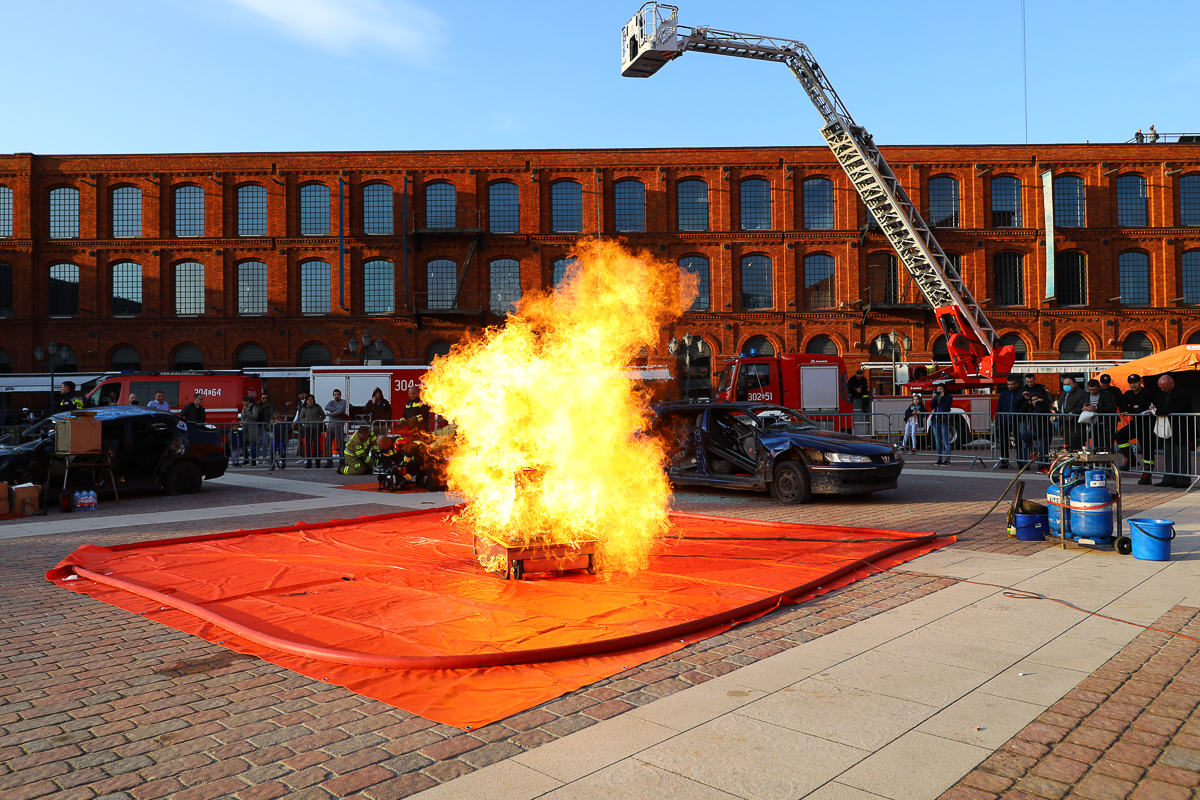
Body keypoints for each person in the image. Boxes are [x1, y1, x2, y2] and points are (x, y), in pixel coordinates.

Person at [1152, 373, 1192, 487]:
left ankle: (1184, 480)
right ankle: (1169, 478)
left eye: (1165, 387)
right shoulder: (1165, 393)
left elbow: (1179, 408)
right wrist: (1156, 409)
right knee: (1169, 453)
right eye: (1161, 387)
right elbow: (1162, 406)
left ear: (1172, 383)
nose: (1163, 389)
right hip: (1168, 427)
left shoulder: (1182, 392)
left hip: (1181, 428)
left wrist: (1162, 411)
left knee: (1182, 454)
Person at [1118, 373, 1155, 484]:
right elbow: (1121, 407)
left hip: (1147, 424)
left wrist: (1130, 409)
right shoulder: (1128, 393)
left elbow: (1142, 408)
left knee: (1146, 449)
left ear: (1140, 382)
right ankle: (1131, 459)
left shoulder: (1146, 393)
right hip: (1136, 423)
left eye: (1135, 382)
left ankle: (1147, 475)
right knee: (1119, 435)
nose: (1133, 385)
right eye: (1131, 383)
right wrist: (1133, 408)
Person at [994, 376, 1026, 468]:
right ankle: (1004, 462)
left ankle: (1020, 462)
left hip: (1017, 421)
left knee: (1019, 442)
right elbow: (999, 407)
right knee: (1004, 442)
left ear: (1016, 384)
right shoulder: (1004, 394)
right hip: (1005, 421)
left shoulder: (1020, 393)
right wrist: (998, 420)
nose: (1010, 386)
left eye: (1012, 384)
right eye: (1008, 384)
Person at [1021, 374, 1052, 465]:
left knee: (1043, 448)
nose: (1035, 401)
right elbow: (1022, 410)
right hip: (1035, 429)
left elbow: (1039, 411)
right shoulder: (1031, 404)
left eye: (1037, 400)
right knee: (1025, 436)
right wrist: (1028, 402)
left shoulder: (1043, 405)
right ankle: (1033, 452)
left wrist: (1038, 403)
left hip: (1045, 430)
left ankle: (1043, 466)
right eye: (1033, 400)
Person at [1080, 378, 1118, 451]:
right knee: (1077, 438)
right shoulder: (1084, 395)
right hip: (1090, 424)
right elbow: (1077, 408)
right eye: (1090, 390)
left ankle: (1107, 461)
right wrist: (1083, 409)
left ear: (1099, 387)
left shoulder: (1107, 394)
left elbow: (1112, 408)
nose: (1092, 392)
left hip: (1104, 424)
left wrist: (1097, 408)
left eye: (1094, 390)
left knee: (1105, 445)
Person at [324, 389, 350, 469]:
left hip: (338, 426)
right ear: (333, 395)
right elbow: (326, 407)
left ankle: (341, 462)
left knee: (341, 444)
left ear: (340, 395)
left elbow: (341, 411)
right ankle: (329, 462)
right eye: (335, 394)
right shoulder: (331, 402)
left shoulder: (343, 402)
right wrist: (336, 411)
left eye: (338, 394)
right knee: (328, 444)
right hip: (330, 426)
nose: (336, 396)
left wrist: (330, 414)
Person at [297, 394, 325, 469]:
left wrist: (318, 420)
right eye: (308, 400)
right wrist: (306, 420)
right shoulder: (304, 409)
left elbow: (323, 415)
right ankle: (308, 462)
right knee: (308, 445)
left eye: (311, 399)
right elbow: (300, 418)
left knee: (317, 445)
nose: (310, 401)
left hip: (316, 428)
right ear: (306, 401)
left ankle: (318, 462)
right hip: (308, 428)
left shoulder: (317, 407)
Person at [1058, 376, 1085, 450]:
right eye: (1064, 384)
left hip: (1076, 421)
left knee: (1075, 440)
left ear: (1074, 384)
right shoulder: (1064, 393)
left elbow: (1082, 406)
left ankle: (1077, 458)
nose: (1066, 386)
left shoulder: (1081, 393)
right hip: (1065, 420)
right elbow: (1061, 404)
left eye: (1068, 384)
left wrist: (1073, 412)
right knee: (1067, 442)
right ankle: (1069, 457)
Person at [930, 384, 954, 465]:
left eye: (940, 389)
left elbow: (945, 406)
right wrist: (934, 399)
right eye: (937, 389)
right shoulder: (936, 397)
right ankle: (939, 458)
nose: (938, 391)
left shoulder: (948, 397)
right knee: (937, 441)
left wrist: (942, 398)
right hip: (935, 421)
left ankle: (947, 459)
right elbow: (931, 407)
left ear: (944, 390)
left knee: (946, 440)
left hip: (944, 420)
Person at [234, 396, 260, 466]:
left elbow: (254, 417)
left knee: (252, 444)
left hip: (252, 427)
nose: (243, 403)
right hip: (245, 427)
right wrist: (243, 422)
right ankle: (246, 459)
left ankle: (253, 460)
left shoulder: (253, 407)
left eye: (244, 401)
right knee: (244, 444)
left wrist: (247, 413)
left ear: (248, 401)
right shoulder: (244, 408)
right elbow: (242, 416)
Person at [292, 392, 310, 465]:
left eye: (300, 394)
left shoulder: (308, 402)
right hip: (301, 425)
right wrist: (294, 422)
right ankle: (302, 456)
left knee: (307, 442)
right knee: (301, 441)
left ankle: (307, 457)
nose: (299, 396)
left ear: (304, 393)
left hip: (307, 425)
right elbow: (298, 413)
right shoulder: (300, 403)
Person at [256, 392, 274, 461]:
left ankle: (264, 457)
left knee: (265, 442)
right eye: (263, 398)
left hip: (266, 424)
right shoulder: (257, 405)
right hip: (258, 424)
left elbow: (271, 414)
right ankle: (257, 457)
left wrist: (269, 423)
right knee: (257, 442)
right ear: (261, 398)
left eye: (266, 398)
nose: (265, 399)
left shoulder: (270, 405)